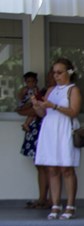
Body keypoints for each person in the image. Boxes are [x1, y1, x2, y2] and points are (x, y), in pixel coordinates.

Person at [32, 58, 82, 220]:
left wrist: (53, 106)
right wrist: (37, 106)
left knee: (66, 168)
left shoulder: (73, 90)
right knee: (52, 168)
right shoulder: (51, 90)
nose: (56, 75)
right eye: (54, 72)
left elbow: (74, 111)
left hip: (65, 129)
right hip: (50, 129)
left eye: (59, 72)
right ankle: (55, 204)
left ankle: (70, 205)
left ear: (69, 72)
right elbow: (43, 114)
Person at [16, 71, 48, 209]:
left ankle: (48, 199)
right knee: (39, 165)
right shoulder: (27, 92)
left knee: (46, 166)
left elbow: (34, 110)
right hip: (33, 130)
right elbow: (20, 108)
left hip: (41, 130)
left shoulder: (42, 92)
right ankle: (42, 198)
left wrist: (26, 110)